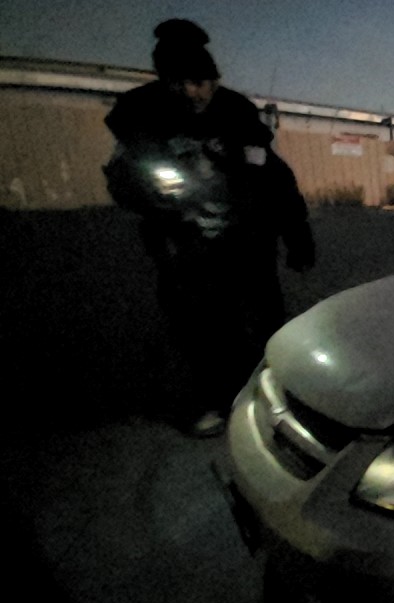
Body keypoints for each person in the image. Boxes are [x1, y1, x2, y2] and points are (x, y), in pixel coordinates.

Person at [104, 18, 315, 437]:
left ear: (214, 79)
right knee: (198, 326)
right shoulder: (140, 114)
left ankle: (277, 399)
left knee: (265, 320)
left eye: (202, 82)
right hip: (184, 245)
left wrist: (297, 232)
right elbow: (121, 176)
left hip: (247, 240)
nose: (193, 92)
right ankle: (210, 401)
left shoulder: (237, 112)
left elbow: (274, 176)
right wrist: (150, 197)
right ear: (165, 79)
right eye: (181, 82)